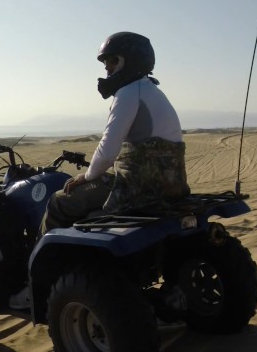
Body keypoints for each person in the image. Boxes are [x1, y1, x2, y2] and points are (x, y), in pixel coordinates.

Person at [38, 32, 191, 237]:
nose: (107, 67)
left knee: (59, 201)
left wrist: (87, 176)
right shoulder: (152, 91)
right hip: (170, 188)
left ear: (132, 61)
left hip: (137, 188)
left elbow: (108, 151)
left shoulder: (129, 92)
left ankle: (43, 257)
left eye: (113, 60)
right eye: (105, 62)